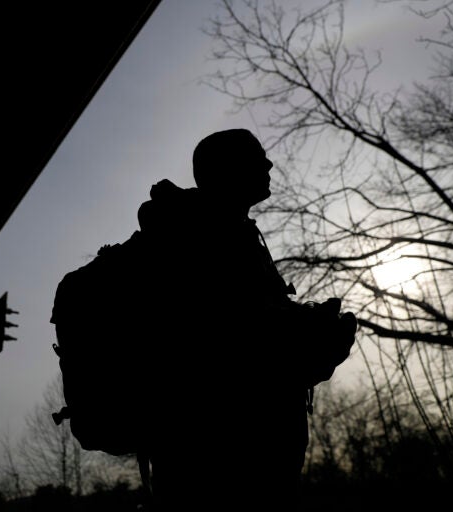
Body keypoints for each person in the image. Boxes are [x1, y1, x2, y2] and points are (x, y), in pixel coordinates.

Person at [132, 129, 352, 509]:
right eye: (256, 157)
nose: (268, 165)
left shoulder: (229, 233)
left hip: (250, 453)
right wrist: (312, 334)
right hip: (220, 459)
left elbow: (253, 328)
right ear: (225, 169)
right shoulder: (198, 235)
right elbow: (232, 341)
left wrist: (311, 329)